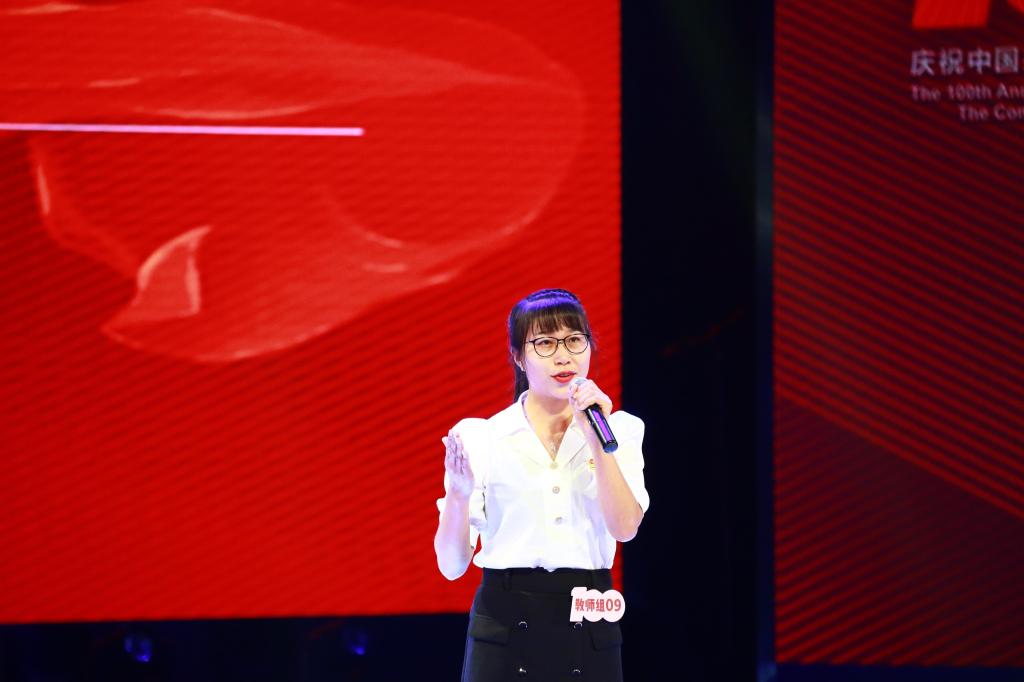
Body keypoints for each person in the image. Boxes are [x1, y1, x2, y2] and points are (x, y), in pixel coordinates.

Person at [434, 288, 650, 682]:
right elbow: (451, 567)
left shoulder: (619, 430)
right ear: (518, 356)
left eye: (574, 340)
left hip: (587, 619)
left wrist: (595, 440)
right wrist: (459, 497)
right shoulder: (482, 436)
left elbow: (624, 528)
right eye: (546, 343)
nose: (564, 356)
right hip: (503, 625)